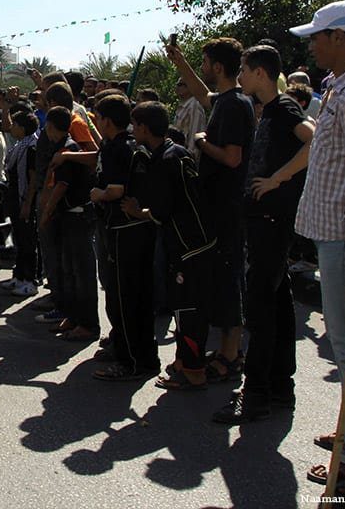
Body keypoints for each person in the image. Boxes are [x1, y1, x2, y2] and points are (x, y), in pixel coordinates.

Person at [287, 1, 345, 487]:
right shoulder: (338, 88)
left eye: (317, 37)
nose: (311, 45)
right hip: (332, 234)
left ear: (339, 38)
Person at [214, 45, 313, 422]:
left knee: (260, 307)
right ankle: (277, 388)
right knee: (277, 306)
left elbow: (313, 137)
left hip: (272, 221)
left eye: (244, 68)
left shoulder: (285, 107)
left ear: (260, 73)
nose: (239, 74)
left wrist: (277, 179)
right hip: (265, 221)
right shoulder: (270, 110)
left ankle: (255, 394)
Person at [167, 36, 254, 383]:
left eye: (205, 63)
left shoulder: (236, 105)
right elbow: (205, 94)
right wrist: (180, 62)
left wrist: (203, 142)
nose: (203, 69)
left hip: (228, 208)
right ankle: (225, 350)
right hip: (217, 207)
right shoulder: (227, 101)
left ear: (218, 66)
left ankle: (231, 355)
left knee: (230, 280)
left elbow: (233, 157)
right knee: (219, 279)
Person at [125, 101, 215, 391]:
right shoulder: (169, 152)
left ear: (145, 127)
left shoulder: (167, 159)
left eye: (136, 124)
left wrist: (137, 211)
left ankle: (193, 371)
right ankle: (182, 361)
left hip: (190, 244)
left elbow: (162, 211)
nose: (133, 129)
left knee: (188, 310)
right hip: (188, 242)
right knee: (182, 306)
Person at [90, 94, 160, 381]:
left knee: (125, 298)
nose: (95, 120)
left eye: (98, 116)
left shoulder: (118, 148)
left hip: (123, 230)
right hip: (137, 229)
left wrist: (98, 194)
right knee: (135, 296)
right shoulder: (132, 145)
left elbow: (116, 190)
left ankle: (131, 360)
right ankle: (132, 349)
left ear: (107, 120)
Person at [38, 107, 98, 342]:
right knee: (69, 270)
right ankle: (73, 317)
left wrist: (46, 212)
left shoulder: (70, 149)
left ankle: (87, 323)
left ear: (53, 126)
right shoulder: (62, 148)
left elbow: (62, 185)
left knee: (81, 273)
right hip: (67, 218)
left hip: (77, 216)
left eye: (48, 126)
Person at [0, 111, 40, 297]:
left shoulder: (31, 147)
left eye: (15, 124)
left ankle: (29, 280)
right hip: (14, 197)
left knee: (27, 241)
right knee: (18, 238)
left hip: (24, 199)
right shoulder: (19, 146)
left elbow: (32, 179)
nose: (11, 127)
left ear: (22, 128)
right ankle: (19, 275)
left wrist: (27, 203)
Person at [172, 78, 207, 160]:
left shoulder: (194, 105)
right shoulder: (182, 107)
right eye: (177, 84)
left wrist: (189, 158)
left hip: (186, 158)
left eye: (181, 85)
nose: (177, 87)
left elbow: (195, 133)